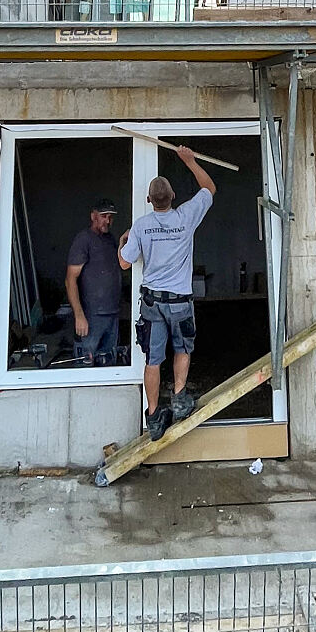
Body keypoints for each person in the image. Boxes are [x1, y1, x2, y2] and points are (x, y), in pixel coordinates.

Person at [119, 146, 215, 439]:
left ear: (149, 200)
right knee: (183, 348)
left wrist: (123, 240)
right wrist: (190, 161)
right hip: (179, 302)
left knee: (153, 359)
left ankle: (153, 416)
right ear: (172, 197)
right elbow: (209, 187)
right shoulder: (186, 217)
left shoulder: (142, 226)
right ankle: (180, 397)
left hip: (152, 303)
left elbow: (124, 263)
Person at [64, 198, 123, 365]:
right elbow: (70, 280)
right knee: (85, 365)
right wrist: (79, 315)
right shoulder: (84, 240)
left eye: (110, 217)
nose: (108, 220)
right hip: (91, 316)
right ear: (93, 216)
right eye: (104, 216)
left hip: (112, 314)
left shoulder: (111, 239)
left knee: (108, 363)